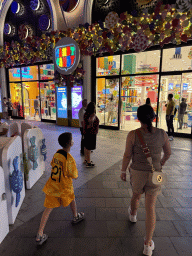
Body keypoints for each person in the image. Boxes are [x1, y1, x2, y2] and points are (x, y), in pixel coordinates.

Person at [120, 104, 171, 256]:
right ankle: (148, 244)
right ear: (153, 117)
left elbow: (127, 155)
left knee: (136, 195)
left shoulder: (133, 134)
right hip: (155, 175)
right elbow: (168, 153)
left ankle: (133, 215)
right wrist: (160, 163)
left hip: (137, 174)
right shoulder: (162, 134)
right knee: (151, 207)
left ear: (138, 118)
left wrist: (123, 171)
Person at [36, 132, 84, 245]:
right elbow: (75, 175)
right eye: (72, 140)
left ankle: (39, 233)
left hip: (52, 186)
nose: (73, 141)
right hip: (64, 186)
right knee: (72, 198)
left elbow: (53, 164)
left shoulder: (57, 153)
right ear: (70, 143)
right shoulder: (69, 159)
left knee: (48, 209)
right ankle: (75, 216)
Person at [83, 102, 99, 167]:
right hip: (91, 133)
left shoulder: (86, 114)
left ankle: (86, 160)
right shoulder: (92, 115)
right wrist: (91, 125)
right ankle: (89, 162)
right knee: (89, 148)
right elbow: (90, 125)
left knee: (86, 146)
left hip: (86, 132)